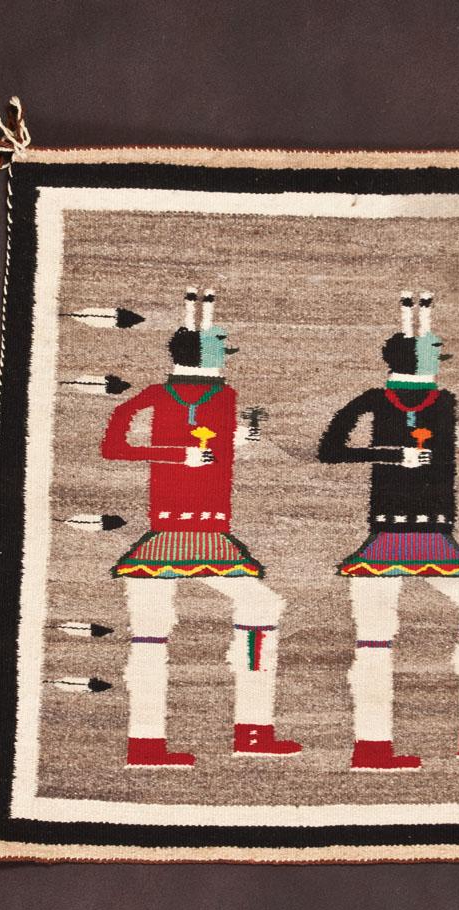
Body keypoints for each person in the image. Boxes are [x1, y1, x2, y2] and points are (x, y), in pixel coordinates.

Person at [318, 292, 459, 771]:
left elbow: (451, 452)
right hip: (388, 533)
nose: (440, 353)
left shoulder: (445, 401)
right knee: (375, 631)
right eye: (434, 348)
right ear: (414, 356)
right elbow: (329, 450)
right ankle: (372, 745)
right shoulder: (375, 400)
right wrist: (393, 455)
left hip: (435, 533)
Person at [102, 288, 301, 767]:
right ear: (201, 350)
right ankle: (147, 742)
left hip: (213, 532)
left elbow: (221, 450)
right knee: (152, 630)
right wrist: (176, 455)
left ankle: (252, 730)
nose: (225, 350)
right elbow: (113, 446)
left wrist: (243, 439)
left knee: (260, 606)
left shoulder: (225, 396)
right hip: (167, 533)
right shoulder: (157, 396)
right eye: (218, 344)